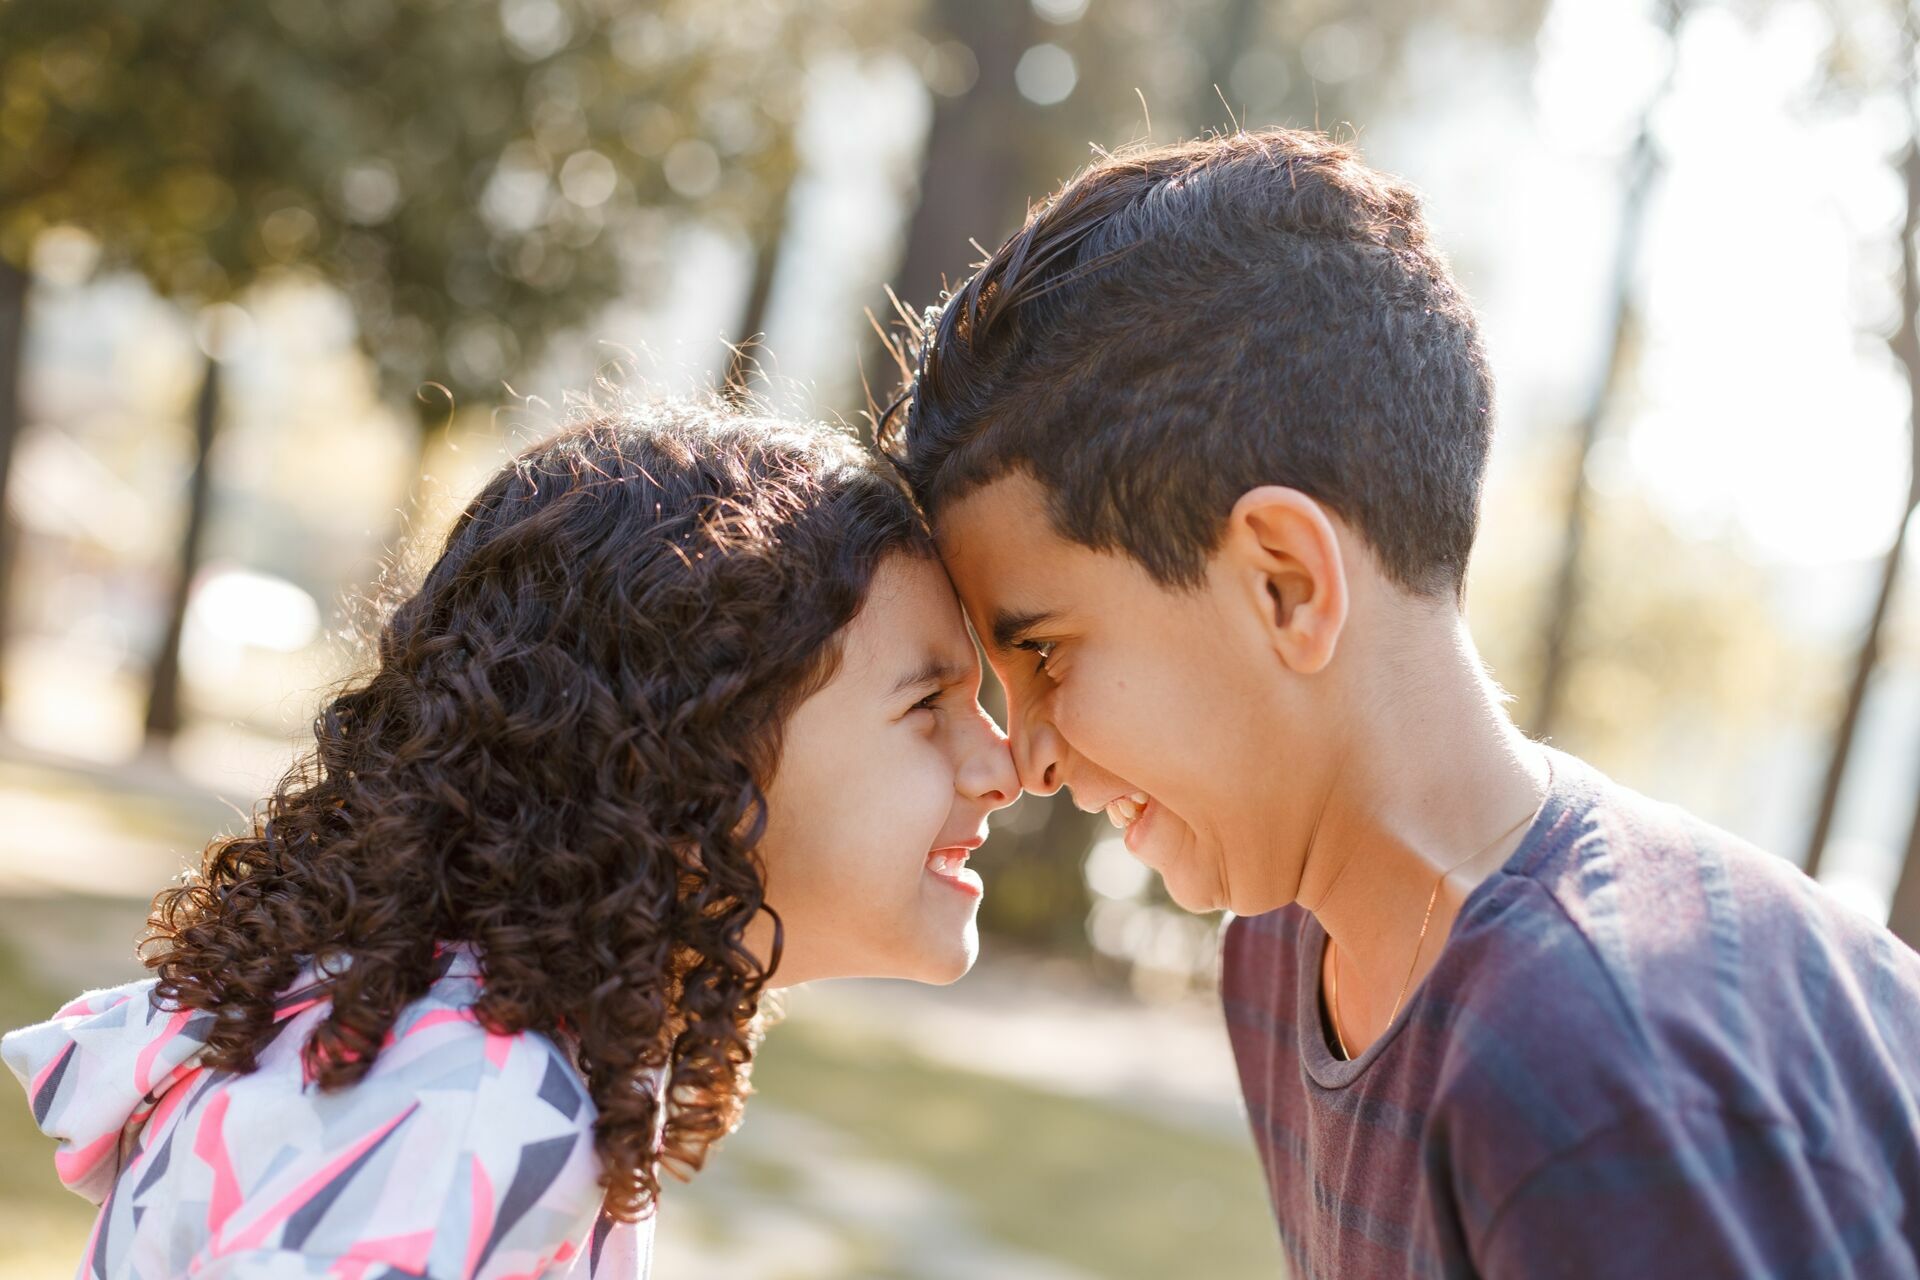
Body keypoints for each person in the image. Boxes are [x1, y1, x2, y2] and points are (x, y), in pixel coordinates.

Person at [878, 127, 1920, 1277]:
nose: (1027, 757)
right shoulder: (1278, 953)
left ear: (1286, 584)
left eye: (1049, 654)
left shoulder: (1591, 1066)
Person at [5, 397, 1018, 1278]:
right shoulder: (460, 1115)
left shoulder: (461, 1054)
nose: (1004, 766)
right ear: (682, 752)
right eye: (931, 701)